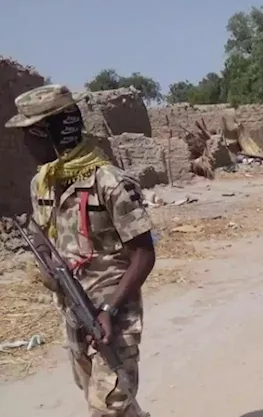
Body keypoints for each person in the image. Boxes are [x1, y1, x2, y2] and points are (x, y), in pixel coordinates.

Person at [5, 84, 156, 417]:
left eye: (28, 134)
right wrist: (47, 260)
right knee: (103, 396)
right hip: (72, 311)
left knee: (107, 407)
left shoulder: (110, 183)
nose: (25, 144)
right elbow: (45, 235)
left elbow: (144, 254)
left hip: (113, 315)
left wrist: (110, 310)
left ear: (47, 132)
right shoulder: (42, 182)